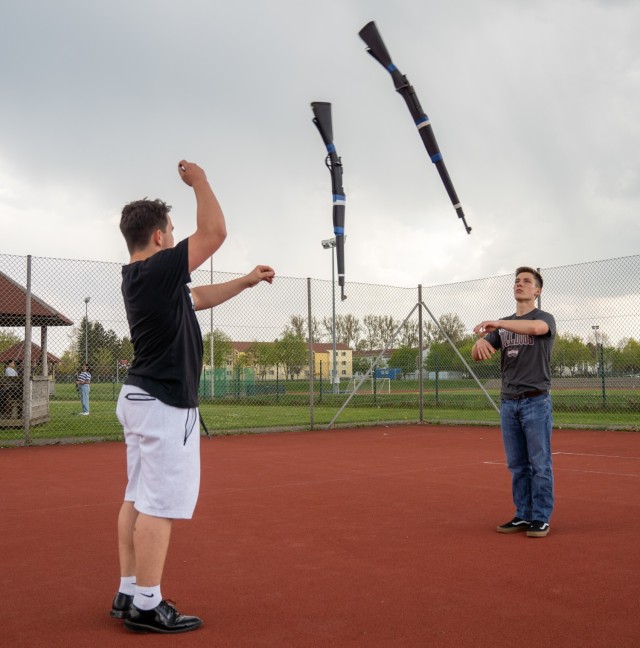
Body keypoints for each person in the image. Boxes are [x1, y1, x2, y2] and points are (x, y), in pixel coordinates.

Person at [112, 160, 275, 634]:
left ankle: (128, 590)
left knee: (136, 499)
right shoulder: (159, 271)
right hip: (164, 403)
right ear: (161, 237)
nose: (177, 235)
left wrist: (244, 281)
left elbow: (198, 298)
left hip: (140, 397)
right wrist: (199, 181)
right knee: (159, 506)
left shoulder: (144, 279)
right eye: (172, 229)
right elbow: (215, 231)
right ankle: (147, 603)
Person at [471, 266, 556, 539]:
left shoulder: (545, 318)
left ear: (537, 291)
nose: (520, 284)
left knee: (539, 464)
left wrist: (498, 324)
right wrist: (479, 343)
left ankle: (541, 518)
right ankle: (523, 514)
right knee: (517, 465)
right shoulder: (504, 325)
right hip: (509, 404)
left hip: (536, 402)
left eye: (527, 281)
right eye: (517, 281)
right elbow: (477, 354)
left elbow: (533, 328)